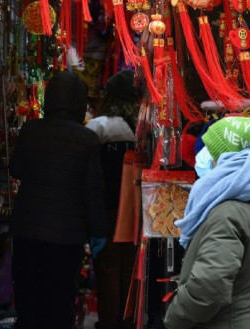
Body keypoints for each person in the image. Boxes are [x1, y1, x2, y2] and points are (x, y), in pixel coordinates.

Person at [164, 114, 250, 329]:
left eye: (213, 153)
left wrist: (174, 318)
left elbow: (209, 288)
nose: (206, 159)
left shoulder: (229, 213)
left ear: (231, 159)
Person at [10, 71, 108, 329]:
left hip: (28, 227)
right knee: (60, 299)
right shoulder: (87, 139)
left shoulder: (31, 130)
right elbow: (93, 191)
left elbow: (16, 168)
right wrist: (98, 231)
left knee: (28, 296)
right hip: (67, 235)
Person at [86, 70, 141, 329]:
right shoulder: (141, 128)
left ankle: (109, 322)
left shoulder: (99, 126)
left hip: (105, 206)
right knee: (130, 268)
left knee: (107, 267)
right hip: (135, 209)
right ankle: (128, 321)